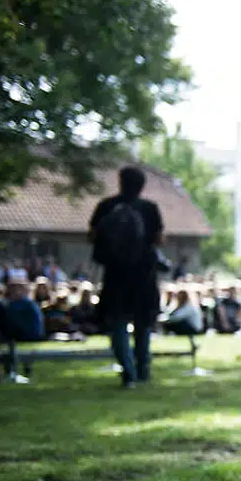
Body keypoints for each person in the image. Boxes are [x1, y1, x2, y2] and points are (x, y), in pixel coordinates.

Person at [90, 165, 165, 388]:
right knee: (143, 324)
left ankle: (128, 372)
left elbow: (93, 236)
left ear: (120, 182)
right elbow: (159, 239)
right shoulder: (149, 208)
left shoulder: (106, 206)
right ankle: (143, 369)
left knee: (118, 322)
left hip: (115, 274)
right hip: (143, 273)